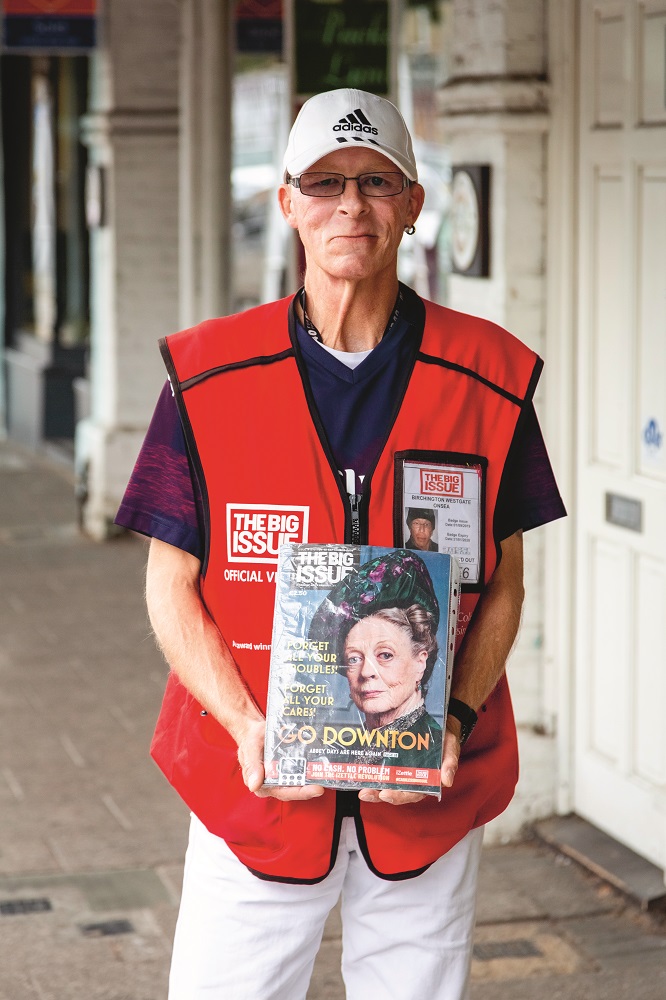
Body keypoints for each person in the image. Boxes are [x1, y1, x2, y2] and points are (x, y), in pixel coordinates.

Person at [115, 87, 566, 1000]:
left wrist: (452, 720)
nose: (349, 206)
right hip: (255, 791)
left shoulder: (490, 377)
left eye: (374, 181)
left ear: (412, 203)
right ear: (287, 202)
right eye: (323, 182)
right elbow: (171, 584)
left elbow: (506, 583)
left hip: (424, 800)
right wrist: (246, 730)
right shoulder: (204, 377)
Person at [309, 548, 444, 771]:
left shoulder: (434, 753)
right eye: (353, 659)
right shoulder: (350, 750)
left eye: (385, 655)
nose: (365, 672)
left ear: (420, 661)